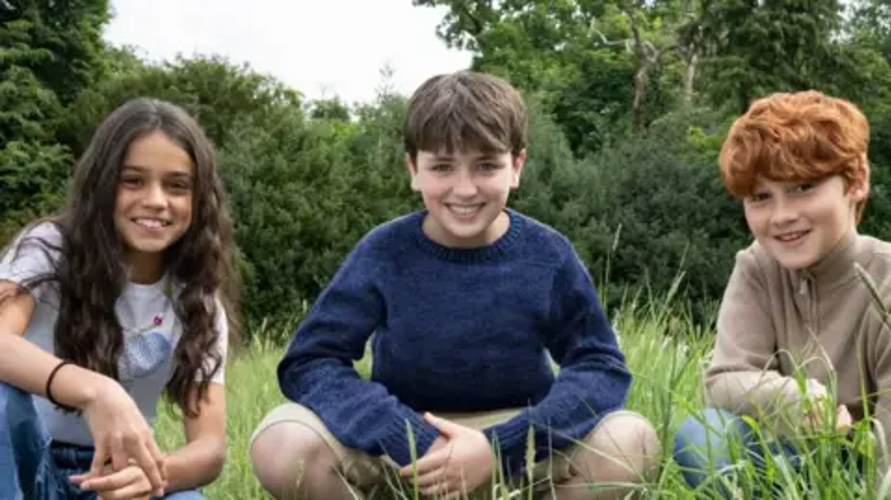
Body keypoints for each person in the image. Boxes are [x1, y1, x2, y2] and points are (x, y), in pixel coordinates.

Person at [250, 71, 660, 500]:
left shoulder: (548, 254)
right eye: (442, 167)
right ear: (413, 169)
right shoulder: (384, 251)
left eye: (486, 165)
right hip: (403, 451)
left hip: (517, 448)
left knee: (631, 440)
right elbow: (310, 361)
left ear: (516, 166)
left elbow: (599, 366)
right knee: (282, 442)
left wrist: (501, 446)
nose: (464, 189)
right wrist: (405, 435)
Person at [0, 97, 239, 499]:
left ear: (199, 199)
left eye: (177, 186)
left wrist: (155, 475)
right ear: (102, 184)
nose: (156, 200)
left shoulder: (198, 298)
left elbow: (209, 448)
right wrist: (97, 390)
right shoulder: (49, 247)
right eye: (133, 181)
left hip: (117, 474)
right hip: (25, 462)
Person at [673, 90, 891, 493]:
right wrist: (797, 399)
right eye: (760, 197)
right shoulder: (757, 267)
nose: (782, 216)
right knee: (702, 436)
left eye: (803, 187)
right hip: (787, 461)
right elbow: (723, 381)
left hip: (870, 468)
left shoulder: (887, 279)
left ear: (856, 181)